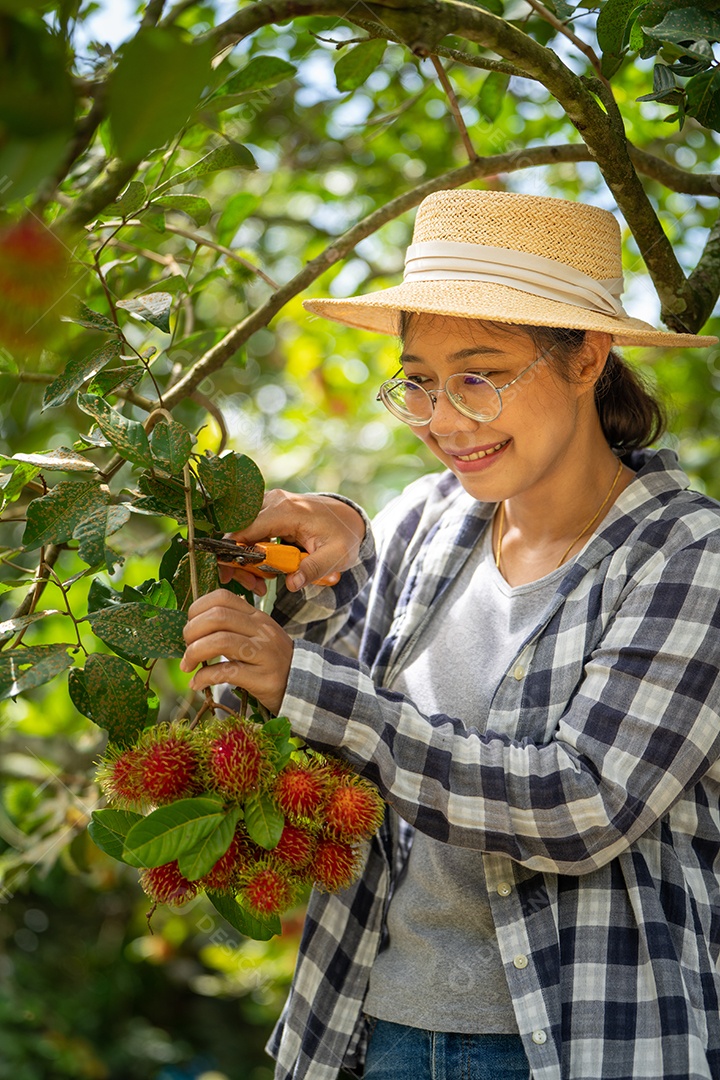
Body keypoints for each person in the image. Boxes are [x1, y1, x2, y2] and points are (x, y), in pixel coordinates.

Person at [180, 190, 720, 1080]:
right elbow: (324, 731)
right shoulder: (425, 518)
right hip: (371, 1027)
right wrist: (272, 594)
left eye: (478, 374)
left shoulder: (687, 557)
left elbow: (580, 806)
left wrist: (303, 681)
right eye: (419, 381)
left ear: (589, 357)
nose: (441, 419)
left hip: (581, 1046)